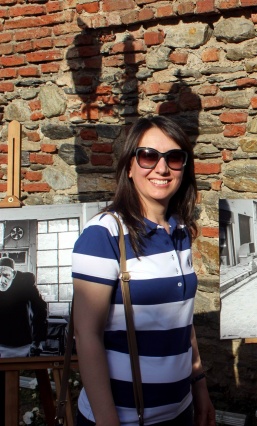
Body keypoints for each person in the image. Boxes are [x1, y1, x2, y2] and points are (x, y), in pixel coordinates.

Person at [71, 116, 216, 425]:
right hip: (125, 417)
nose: (162, 168)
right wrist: (107, 420)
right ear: (129, 166)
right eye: (148, 156)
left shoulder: (179, 231)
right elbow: (86, 335)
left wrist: (199, 385)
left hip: (180, 411)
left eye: (173, 158)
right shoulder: (104, 234)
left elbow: (181, 321)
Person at [0, 257, 47, 358]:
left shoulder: (25, 284)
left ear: (14, 274)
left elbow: (40, 309)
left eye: (6, 275)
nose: (2, 280)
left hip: (20, 342)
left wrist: (37, 339)